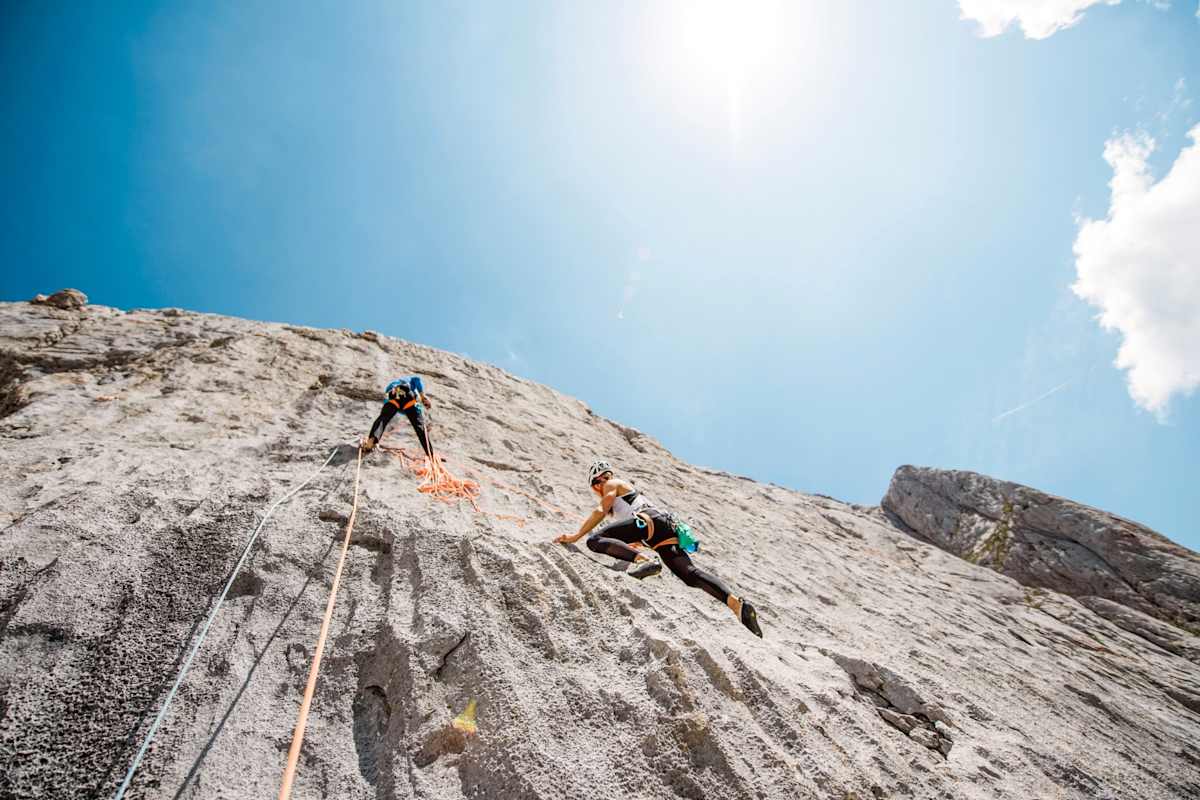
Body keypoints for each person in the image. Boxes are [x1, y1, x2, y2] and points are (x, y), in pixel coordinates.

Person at [554, 460, 763, 638]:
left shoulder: (612, 483)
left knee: (595, 539)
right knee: (689, 575)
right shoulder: (625, 497)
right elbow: (628, 527)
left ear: (598, 480)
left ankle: (645, 562)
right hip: (661, 530)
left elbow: (601, 509)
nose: (597, 490)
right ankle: (738, 606)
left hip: (647, 522)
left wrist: (576, 536)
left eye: (594, 486)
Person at [363, 376, 433, 456]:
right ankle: (430, 453)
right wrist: (422, 397)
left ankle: (372, 440)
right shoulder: (408, 380)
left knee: (383, 419)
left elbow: (388, 404)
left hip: (394, 394)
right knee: (419, 427)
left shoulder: (392, 387)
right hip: (406, 393)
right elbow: (417, 379)